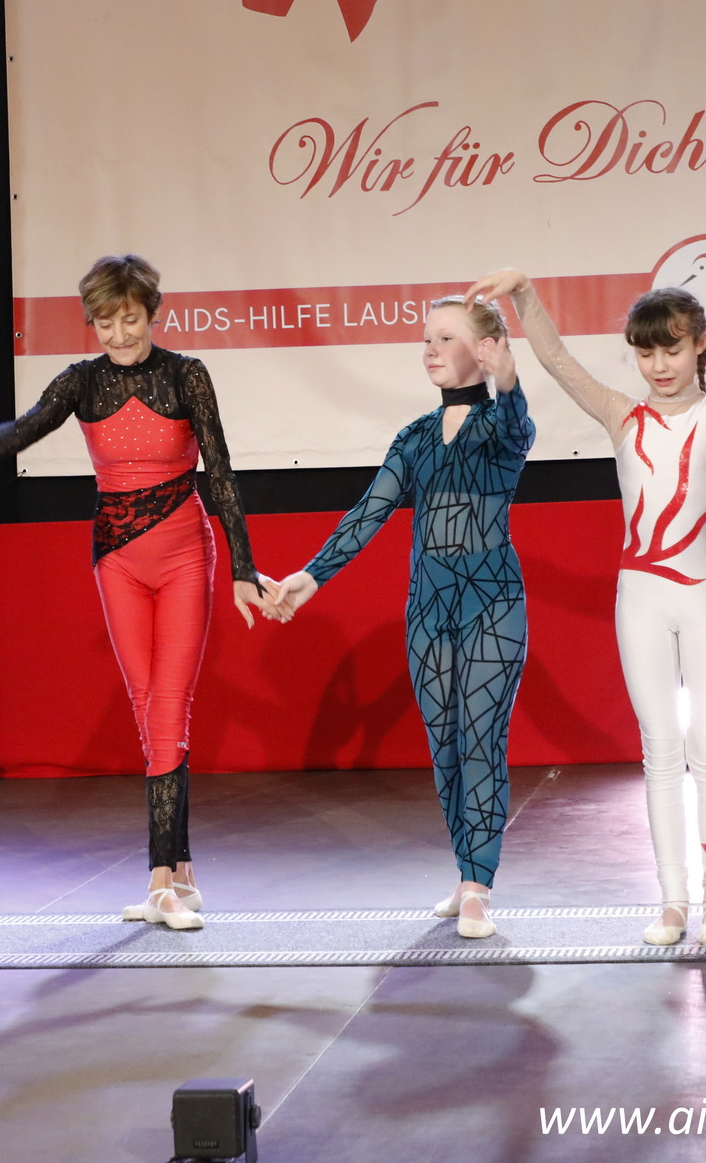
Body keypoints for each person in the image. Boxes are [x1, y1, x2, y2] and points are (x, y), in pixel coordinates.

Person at [466, 209, 706, 947]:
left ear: (701, 343)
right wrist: (526, 294)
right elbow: (559, 362)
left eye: (671, 349)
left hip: (705, 597)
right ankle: (672, 901)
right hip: (639, 596)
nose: (659, 365)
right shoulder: (622, 417)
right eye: (645, 353)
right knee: (659, 750)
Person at [0, 255, 272, 931]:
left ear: (151, 313)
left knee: (169, 709)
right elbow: (25, 427)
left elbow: (220, 473)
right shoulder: (82, 382)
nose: (119, 334)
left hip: (185, 555)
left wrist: (242, 569)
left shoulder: (186, 375)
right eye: (105, 322)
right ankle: (181, 870)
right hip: (116, 561)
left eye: (129, 319)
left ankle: (158, 883)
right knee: (147, 707)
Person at [267, 296, 532, 939]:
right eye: (427, 339)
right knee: (445, 744)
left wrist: (509, 379)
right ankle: (465, 869)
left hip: (492, 603)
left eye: (447, 338)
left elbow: (516, 421)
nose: (431, 350)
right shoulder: (414, 437)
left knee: (481, 738)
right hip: (427, 607)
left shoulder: (501, 426)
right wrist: (310, 576)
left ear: (485, 349)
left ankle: (479, 886)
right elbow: (368, 513)